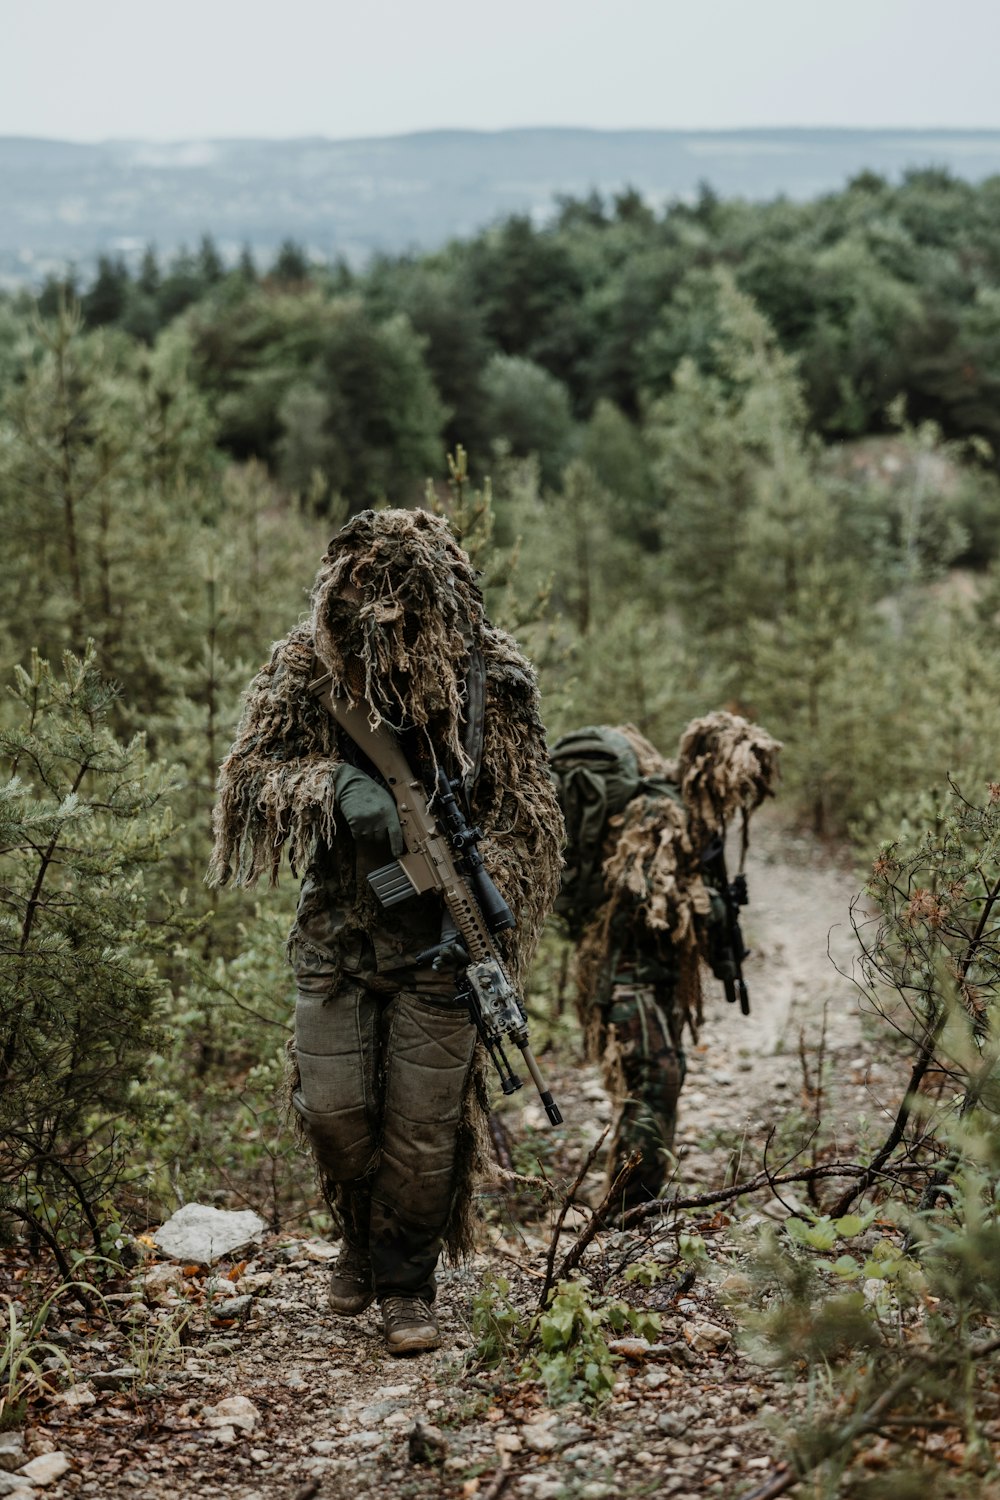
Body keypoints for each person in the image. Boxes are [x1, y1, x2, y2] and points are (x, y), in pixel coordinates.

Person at [209, 508, 562, 1353]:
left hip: (443, 939)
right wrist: (332, 785)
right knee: (333, 1111)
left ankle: (407, 1286)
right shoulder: (307, 664)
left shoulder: (494, 679)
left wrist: (472, 889)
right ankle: (359, 1241)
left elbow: (532, 822)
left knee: (426, 1130)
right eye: (369, 616)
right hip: (336, 934)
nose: (388, 639)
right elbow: (247, 780)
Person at [550, 713, 780, 1209]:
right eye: (735, 782)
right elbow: (640, 898)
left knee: (659, 1079)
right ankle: (629, 1207)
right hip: (625, 977)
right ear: (711, 770)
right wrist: (711, 904)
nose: (739, 796)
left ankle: (636, 1197)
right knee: (654, 1080)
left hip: (654, 978)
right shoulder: (660, 809)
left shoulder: (693, 819)